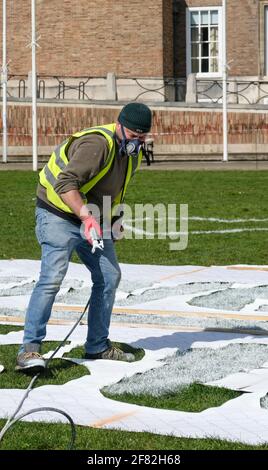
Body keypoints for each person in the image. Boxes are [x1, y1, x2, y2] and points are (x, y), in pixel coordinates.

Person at [16, 102, 152, 372]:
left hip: (92, 218)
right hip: (57, 212)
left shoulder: (132, 153)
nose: (138, 142)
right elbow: (64, 183)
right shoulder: (97, 145)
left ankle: (97, 346)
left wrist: (112, 220)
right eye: (134, 136)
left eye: (143, 137)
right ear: (120, 125)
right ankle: (29, 351)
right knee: (52, 278)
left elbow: (116, 190)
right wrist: (86, 217)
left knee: (109, 277)